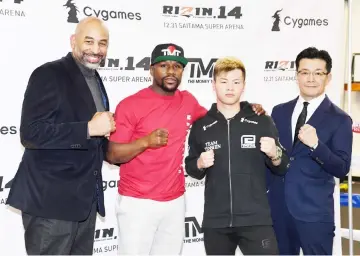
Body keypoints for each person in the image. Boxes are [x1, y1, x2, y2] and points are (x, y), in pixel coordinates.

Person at [106, 43, 266, 255]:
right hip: (138, 202)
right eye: (164, 65)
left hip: (175, 202)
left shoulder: (187, 101)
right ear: (151, 69)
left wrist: (248, 107)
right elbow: (112, 155)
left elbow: (217, 115)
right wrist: (145, 142)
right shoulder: (131, 104)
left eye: (177, 66)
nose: (171, 71)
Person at [6, 17, 115, 255]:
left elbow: (94, 139)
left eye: (102, 43)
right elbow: (31, 133)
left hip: (84, 203)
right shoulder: (49, 74)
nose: (96, 50)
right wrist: (87, 128)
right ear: (73, 41)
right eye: (89, 41)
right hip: (51, 205)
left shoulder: (94, 78)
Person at [184, 57, 289, 255]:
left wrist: (275, 153)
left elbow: (282, 166)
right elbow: (192, 169)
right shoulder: (201, 125)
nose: (230, 88)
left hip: (256, 220)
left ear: (244, 86)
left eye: (236, 82)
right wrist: (199, 163)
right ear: (213, 85)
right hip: (217, 222)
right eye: (224, 82)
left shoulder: (262, 121)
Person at [267, 47, 353, 255]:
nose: (311, 79)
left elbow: (341, 168)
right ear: (297, 75)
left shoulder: (340, 119)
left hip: (314, 214)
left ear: (328, 77)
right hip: (279, 210)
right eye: (305, 72)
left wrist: (317, 145)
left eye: (318, 73)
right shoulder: (279, 111)